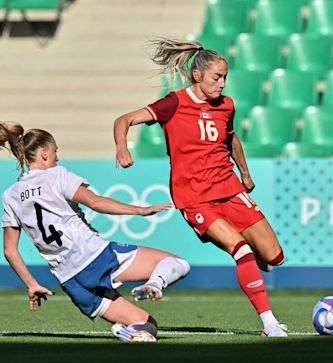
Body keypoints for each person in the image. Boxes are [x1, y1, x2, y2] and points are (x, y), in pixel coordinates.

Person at [113, 38, 287, 337]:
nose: (222, 84)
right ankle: (270, 324)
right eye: (216, 77)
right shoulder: (174, 103)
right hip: (194, 197)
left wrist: (245, 173)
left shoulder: (226, 106)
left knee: (274, 257)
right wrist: (121, 148)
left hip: (230, 189)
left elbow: (231, 140)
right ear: (198, 76)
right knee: (241, 250)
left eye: (225, 78)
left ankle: (260, 260)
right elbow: (124, 119)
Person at [0, 122, 190, 342]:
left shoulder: (11, 195)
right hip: (95, 257)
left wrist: (31, 284)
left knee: (146, 325)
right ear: (44, 153)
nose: (57, 158)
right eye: (55, 151)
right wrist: (138, 210)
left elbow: (10, 251)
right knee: (178, 264)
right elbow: (96, 202)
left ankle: (125, 332)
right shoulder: (57, 175)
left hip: (71, 280)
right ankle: (153, 285)